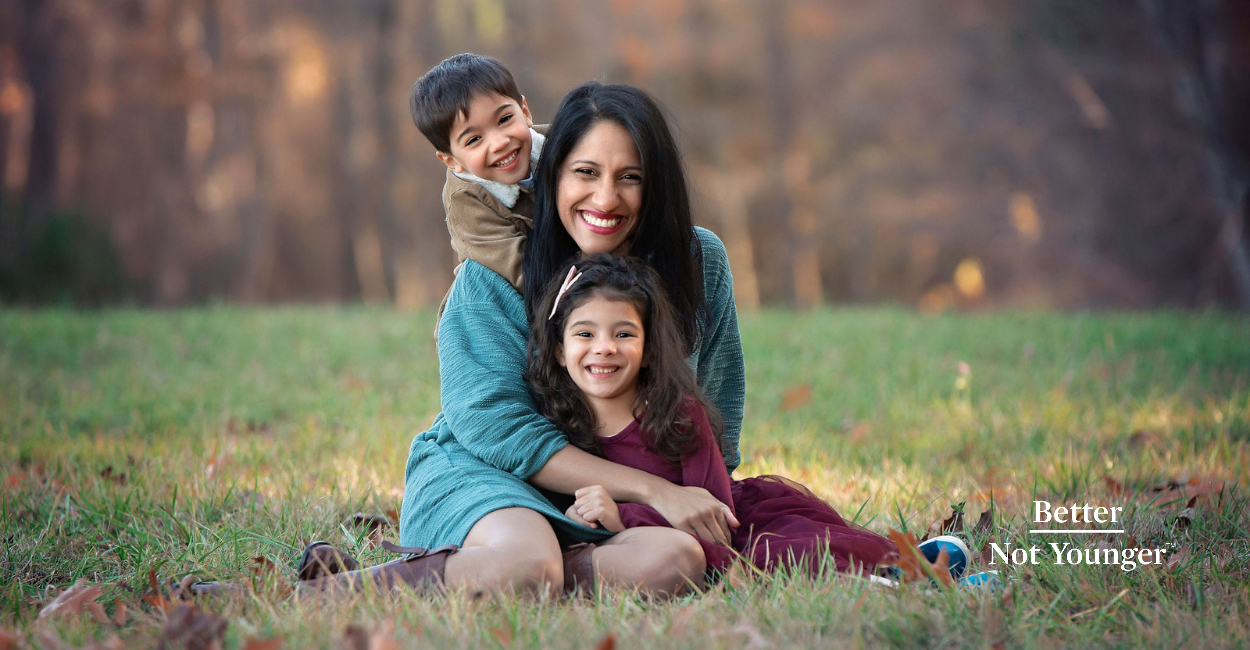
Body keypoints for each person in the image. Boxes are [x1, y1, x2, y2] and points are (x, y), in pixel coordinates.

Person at [294, 81, 747, 598]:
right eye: (585, 173)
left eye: (631, 177)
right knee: (527, 562)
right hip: (486, 474)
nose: (605, 198)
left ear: (658, 185)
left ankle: (509, 573)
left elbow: (718, 406)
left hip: (603, 498)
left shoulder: (699, 262)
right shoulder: (493, 275)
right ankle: (308, 595)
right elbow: (494, 429)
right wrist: (654, 489)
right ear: (551, 176)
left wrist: (691, 498)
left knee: (677, 560)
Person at [528, 253, 900, 578]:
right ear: (560, 350)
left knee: (794, 556)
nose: (604, 348)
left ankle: (904, 571)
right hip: (651, 550)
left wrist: (621, 518)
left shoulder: (678, 416)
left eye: (624, 334)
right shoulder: (557, 427)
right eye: (585, 334)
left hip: (737, 529)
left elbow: (717, 520)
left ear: (648, 348)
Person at [408, 53, 545, 316]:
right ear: (451, 161)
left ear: (525, 112)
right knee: (477, 280)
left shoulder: (565, 147)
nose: (499, 142)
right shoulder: (467, 200)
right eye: (474, 140)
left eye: (505, 120)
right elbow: (520, 269)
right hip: (505, 308)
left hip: (566, 287)